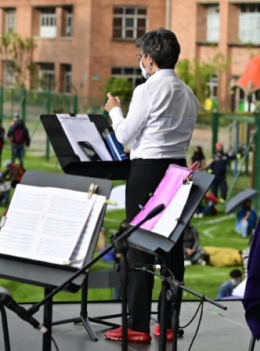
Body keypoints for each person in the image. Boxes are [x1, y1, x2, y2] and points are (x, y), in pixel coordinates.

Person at [103, 29, 198, 343]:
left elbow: (124, 135)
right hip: (177, 170)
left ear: (150, 59)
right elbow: (167, 132)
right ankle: (169, 321)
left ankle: (138, 325)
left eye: (140, 55)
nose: (140, 61)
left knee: (140, 248)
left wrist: (114, 110)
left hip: (146, 172)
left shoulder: (146, 89)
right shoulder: (188, 92)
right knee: (171, 248)